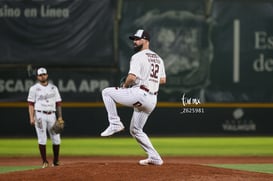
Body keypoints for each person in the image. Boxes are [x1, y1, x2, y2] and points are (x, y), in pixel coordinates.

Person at [101, 29, 166, 166]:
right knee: (136, 130)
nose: (135, 42)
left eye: (137, 39)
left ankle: (115, 123)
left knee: (106, 92)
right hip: (152, 100)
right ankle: (155, 157)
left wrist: (125, 86)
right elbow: (163, 80)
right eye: (134, 39)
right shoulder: (158, 58)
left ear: (146, 40)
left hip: (140, 94)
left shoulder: (138, 56)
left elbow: (131, 77)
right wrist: (147, 80)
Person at [27, 67, 63, 168]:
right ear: (37, 77)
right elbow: (30, 104)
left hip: (52, 115)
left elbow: (58, 103)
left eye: (44, 74)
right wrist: (31, 118)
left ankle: (56, 162)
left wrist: (60, 117)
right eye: (40, 75)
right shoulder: (34, 89)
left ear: (47, 75)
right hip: (39, 115)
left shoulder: (53, 88)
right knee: (42, 139)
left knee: (56, 139)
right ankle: (45, 162)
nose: (43, 76)